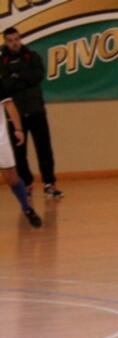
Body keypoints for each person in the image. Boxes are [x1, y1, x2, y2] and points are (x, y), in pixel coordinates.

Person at [0, 27, 62, 200]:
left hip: (36, 111)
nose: (14, 43)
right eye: (10, 40)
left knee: (44, 150)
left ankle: (50, 184)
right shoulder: (1, 61)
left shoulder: (32, 56)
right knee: (19, 154)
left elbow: (37, 76)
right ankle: (26, 183)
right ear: (6, 41)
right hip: (16, 116)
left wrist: (16, 77)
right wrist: (21, 79)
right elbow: (5, 86)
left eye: (16, 39)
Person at [0, 84, 42, 227]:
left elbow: (9, 105)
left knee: (11, 178)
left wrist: (18, 129)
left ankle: (27, 208)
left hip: (0, 140)